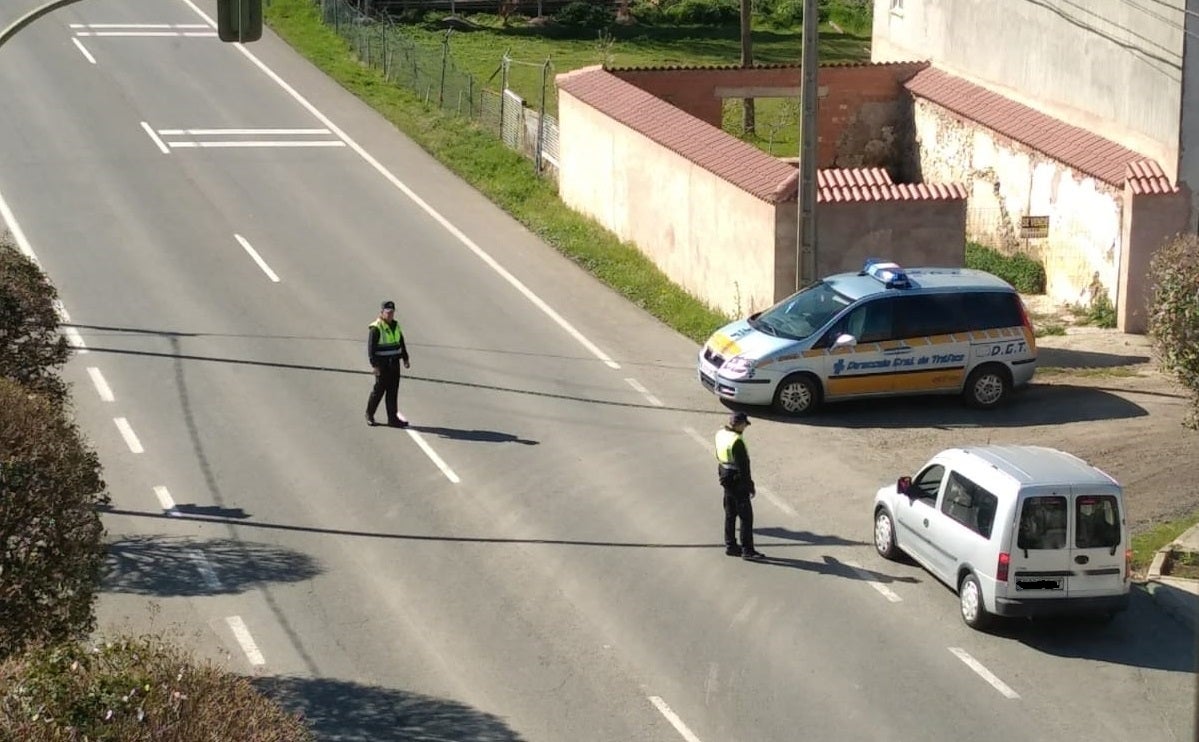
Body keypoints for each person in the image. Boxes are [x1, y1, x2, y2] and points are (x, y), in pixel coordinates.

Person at [715, 411, 765, 560]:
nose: (746, 427)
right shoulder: (737, 441)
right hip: (736, 479)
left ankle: (730, 545)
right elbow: (743, 467)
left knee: (730, 513)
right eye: (745, 424)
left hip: (724, 475)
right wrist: (750, 486)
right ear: (740, 424)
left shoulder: (721, 434)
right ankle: (747, 550)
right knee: (746, 517)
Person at [365, 300, 410, 428]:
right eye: (388, 312)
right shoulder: (376, 328)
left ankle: (392, 419)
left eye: (392, 312)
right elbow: (371, 349)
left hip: (394, 363)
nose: (390, 315)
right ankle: (369, 414)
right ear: (382, 312)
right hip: (382, 365)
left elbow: (401, 342)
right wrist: (374, 366)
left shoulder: (396, 325)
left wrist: (405, 358)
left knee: (393, 392)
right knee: (379, 391)